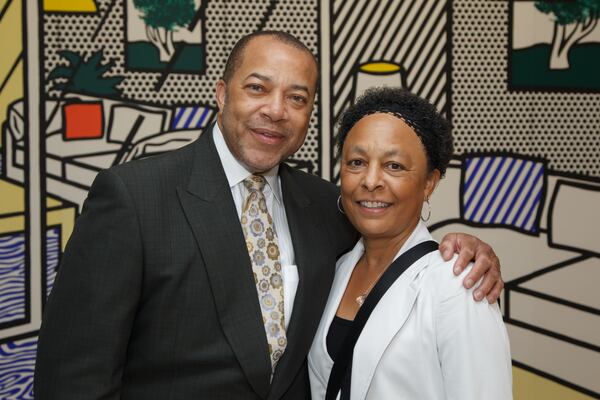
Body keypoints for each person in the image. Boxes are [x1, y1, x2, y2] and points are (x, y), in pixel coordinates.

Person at [34, 31, 503, 399]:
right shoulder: (133, 198)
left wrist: (461, 244)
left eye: (297, 98)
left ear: (309, 113)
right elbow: (73, 378)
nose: (275, 111)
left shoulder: (325, 207)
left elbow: (392, 239)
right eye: (258, 88)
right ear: (222, 93)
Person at [308, 87, 512, 400]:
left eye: (394, 166)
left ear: (429, 181)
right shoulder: (334, 269)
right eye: (356, 162)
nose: (371, 180)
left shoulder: (458, 285)